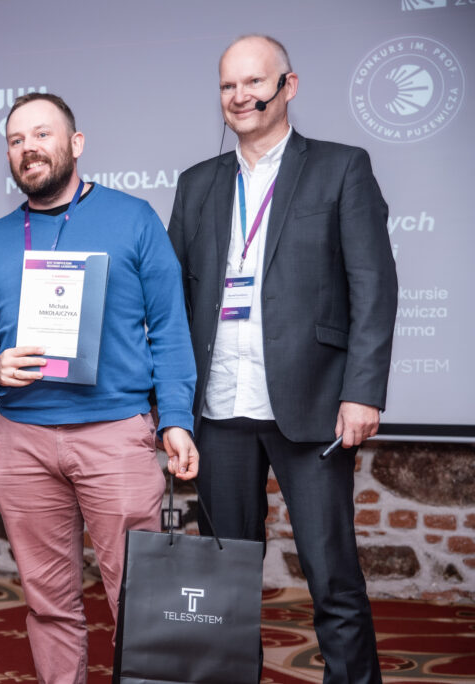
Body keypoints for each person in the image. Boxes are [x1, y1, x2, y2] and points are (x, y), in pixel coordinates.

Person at [168, 35, 397, 684]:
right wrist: (171, 408)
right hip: (219, 411)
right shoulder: (197, 184)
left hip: (313, 407)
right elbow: (172, 301)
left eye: (253, 82)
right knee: (224, 585)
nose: (239, 96)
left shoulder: (341, 168)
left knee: (333, 580)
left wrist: (364, 390)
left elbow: (374, 288)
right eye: (227, 86)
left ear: (287, 86)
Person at [0, 93, 199, 683]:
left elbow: (169, 326)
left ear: (76, 143)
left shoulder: (133, 218)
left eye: (41, 134)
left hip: (113, 435)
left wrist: (177, 418)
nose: (28, 148)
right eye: (15, 140)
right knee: (48, 603)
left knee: (139, 602)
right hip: (23, 441)